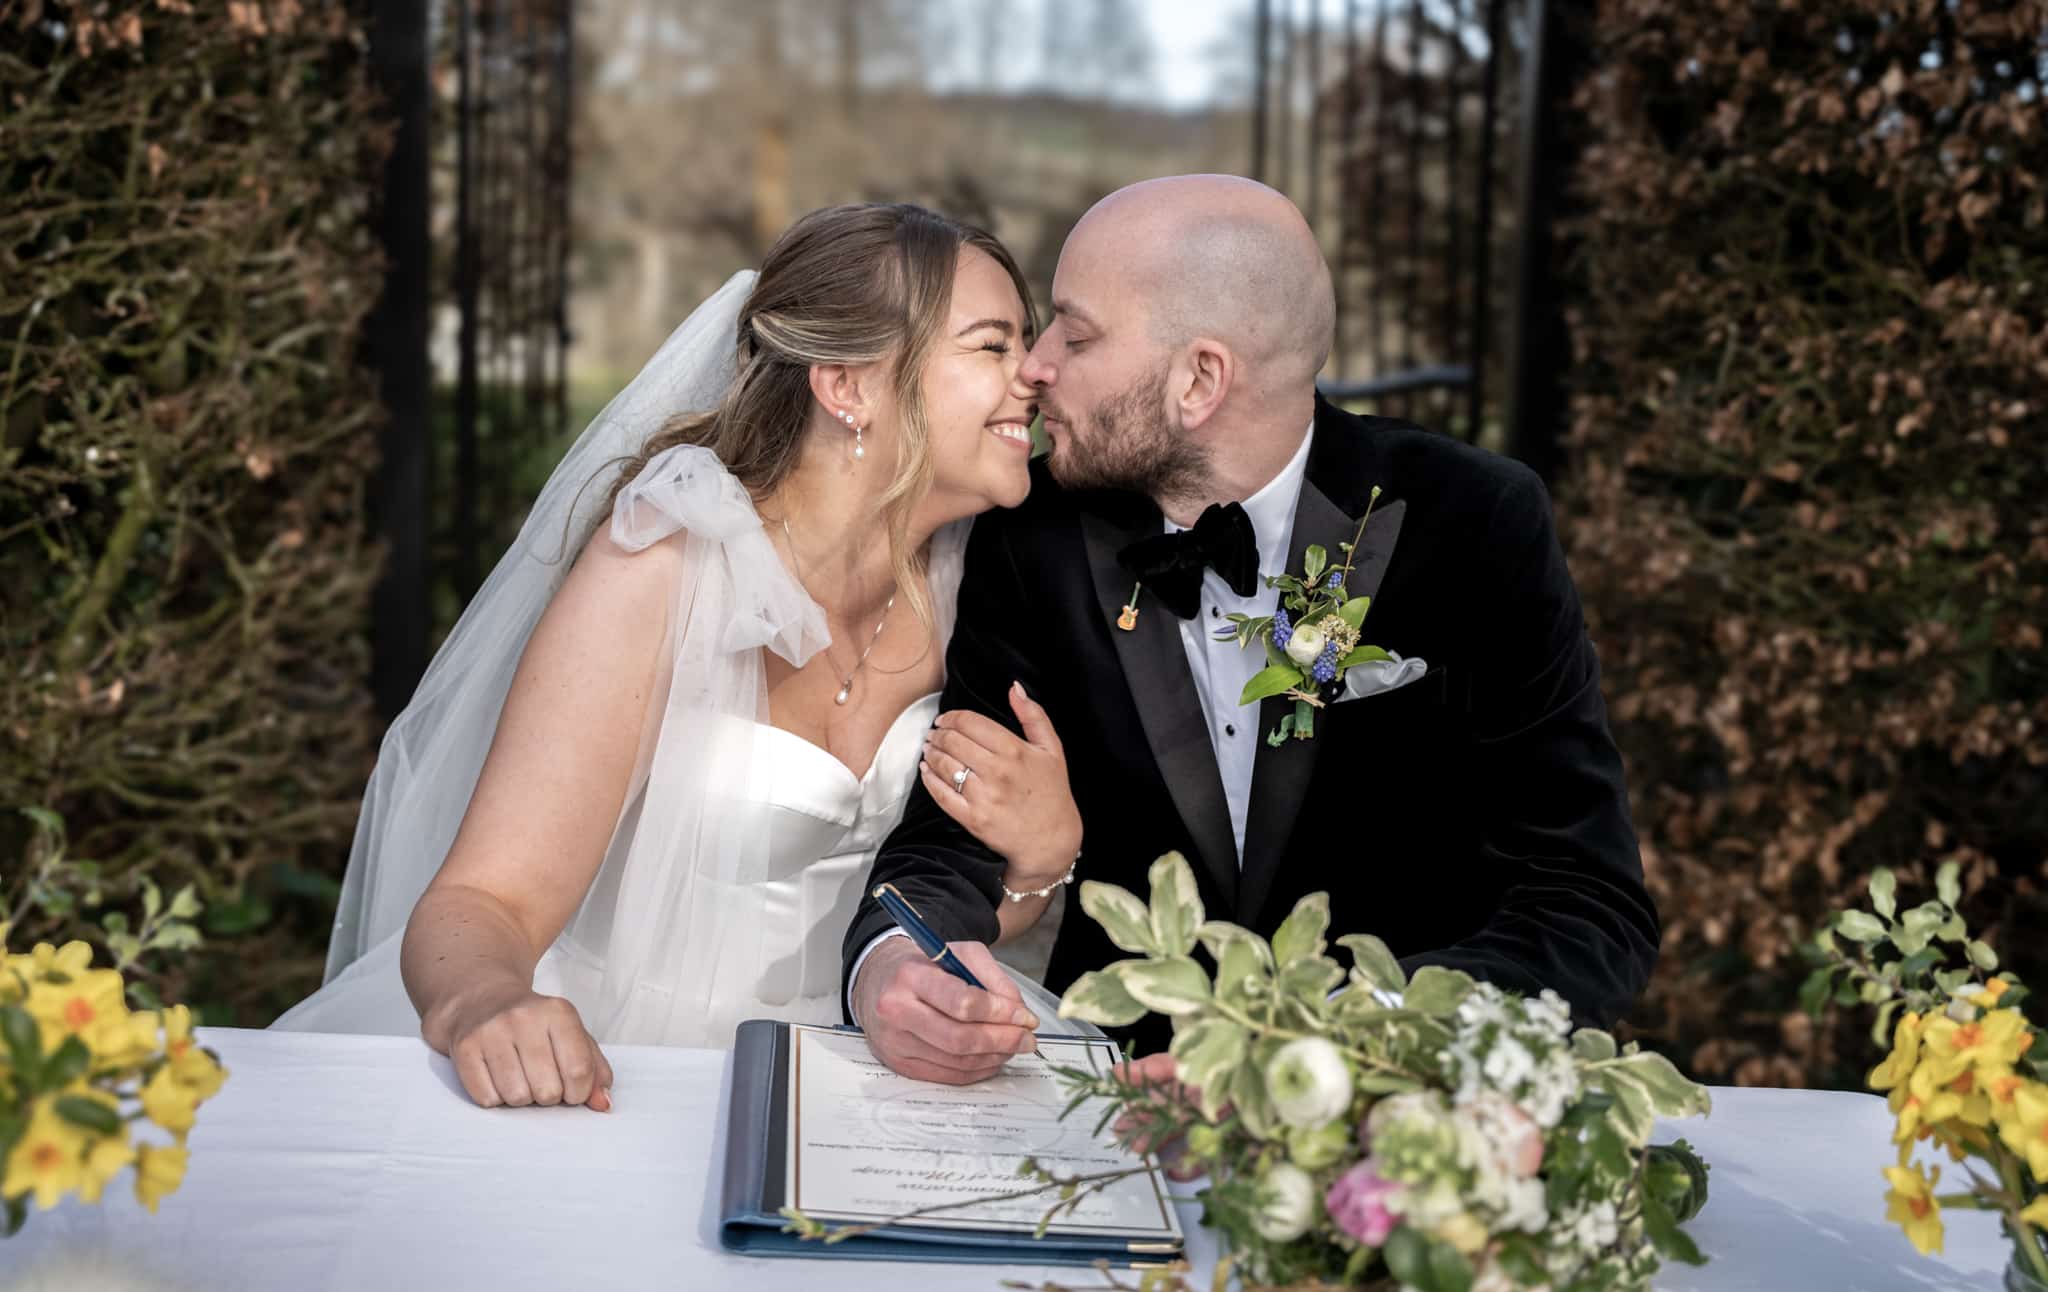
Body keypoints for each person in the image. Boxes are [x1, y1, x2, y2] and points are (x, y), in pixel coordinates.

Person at [845, 175, 1661, 1080]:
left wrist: (1339, 1058)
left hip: (1379, 1140)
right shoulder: (1031, 541)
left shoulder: (1474, 524)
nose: (1034, 368)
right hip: (1101, 1115)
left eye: (1076, 336)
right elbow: (947, 834)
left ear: (1200, 378)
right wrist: (894, 965)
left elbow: (1584, 900)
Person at [274, 204, 1083, 1110]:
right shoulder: (665, 570)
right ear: (847, 385)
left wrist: (1039, 865)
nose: (1034, 378)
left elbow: (920, 909)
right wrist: (487, 999)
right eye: (993, 347)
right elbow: (482, 901)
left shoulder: (976, 581)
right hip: (629, 1062)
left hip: (860, 1067)